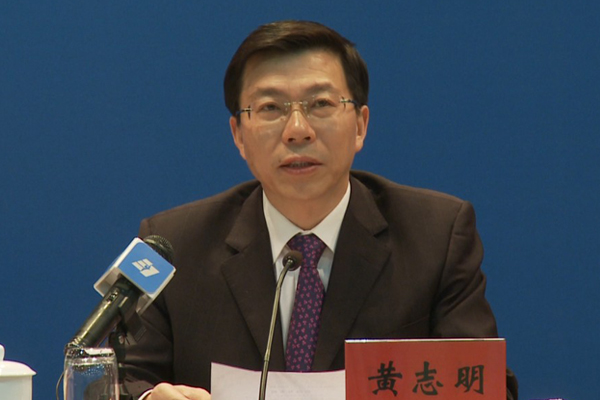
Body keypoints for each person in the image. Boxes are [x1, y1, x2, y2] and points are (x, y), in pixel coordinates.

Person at [122, 20, 518, 400]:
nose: (298, 130)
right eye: (270, 108)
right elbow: (121, 379)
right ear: (238, 135)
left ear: (360, 125)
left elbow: (486, 386)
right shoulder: (172, 245)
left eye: (321, 104)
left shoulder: (437, 236)